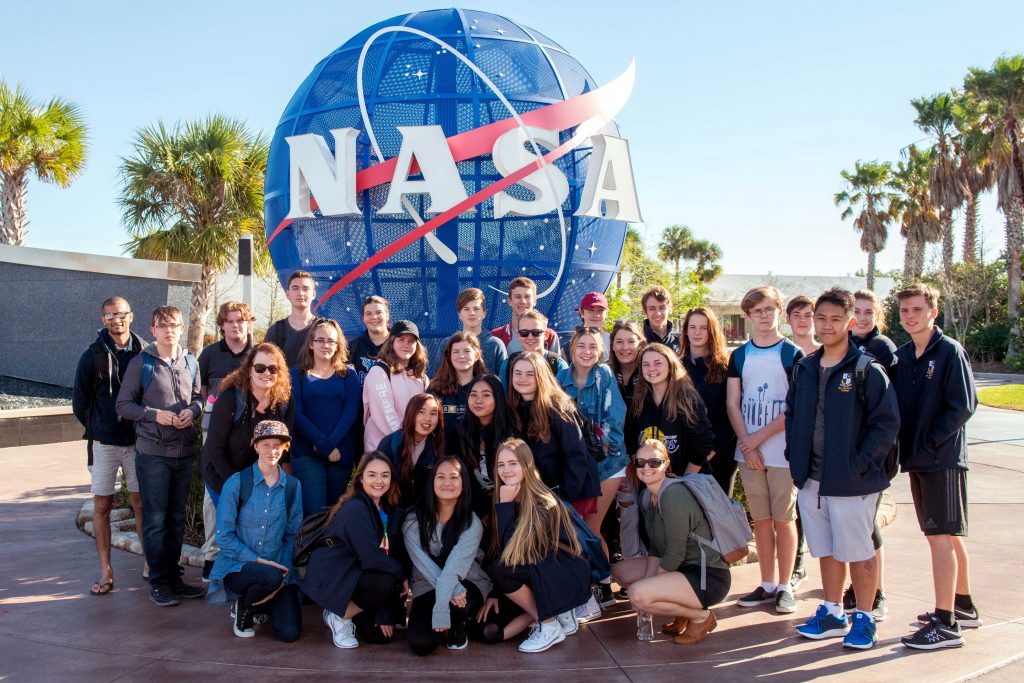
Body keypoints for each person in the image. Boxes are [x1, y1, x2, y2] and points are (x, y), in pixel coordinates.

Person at [786, 288, 900, 651]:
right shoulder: (803, 367)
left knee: (858, 551)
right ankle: (833, 612)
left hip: (853, 481)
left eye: (836, 319)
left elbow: (886, 424)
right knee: (827, 550)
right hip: (811, 478)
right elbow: (793, 416)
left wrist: (859, 465)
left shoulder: (867, 369)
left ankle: (864, 618)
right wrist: (795, 458)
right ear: (813, 320)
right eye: (821, 318)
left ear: (850, 322)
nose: (827, 325)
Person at [893, 283, 979, 650]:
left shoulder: (949, 352)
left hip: (941, 459)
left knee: (940, 536)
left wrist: (929, 442)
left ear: (933, 311)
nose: (910, 316)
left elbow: (963, 405)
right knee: (947, 534)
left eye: (917, 309)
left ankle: (945, 624)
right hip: (918, 459)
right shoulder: (904, 355)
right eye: (905, 311)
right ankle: (963, 606)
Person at [115, 305, 204, 607]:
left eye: (174, 325)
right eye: (162, 325)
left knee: (176, 520)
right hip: (153, 453)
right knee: (155, 519)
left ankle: (174, 578)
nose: (169, 330)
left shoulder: (191, 361)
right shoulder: (142, 363)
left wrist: (192, 412)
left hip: (183, 451)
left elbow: (198, 399)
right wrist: (155, 415)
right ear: (153, 330)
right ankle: (159, 582)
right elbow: (124, 405)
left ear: (182, 328)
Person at [727, 285, 804, 615]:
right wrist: (748, 443)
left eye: (769, 309)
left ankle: (786, 585)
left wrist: (759, 438)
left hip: (782, 452)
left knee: (784, 520)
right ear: (748, 315)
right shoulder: (740, 355)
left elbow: (795, 405)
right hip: (749, 453)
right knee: (761, 519)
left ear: (779, 312)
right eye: (757, 311)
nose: (763, 315)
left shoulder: (791, 354)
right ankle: (767, 582)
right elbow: (733, 402)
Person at [612, 439, 732, 645]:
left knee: (638, 595)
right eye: (640, 463)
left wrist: (647, 588)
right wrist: (648, 582)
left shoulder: (674, 495)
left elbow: (675, 553)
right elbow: (656, 546)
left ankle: (701, 617)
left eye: (654, 462)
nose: (646, 467)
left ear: (666, 464)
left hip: (707, 576)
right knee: (622, 572)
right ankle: (682, 612)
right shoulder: (646, 496)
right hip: (683, 569)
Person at [482, 438, 591, 653]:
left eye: (513, 463)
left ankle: (549, 624)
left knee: (502, 568)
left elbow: (514, 554)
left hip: (563, 574)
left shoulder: (542, 501)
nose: (506, 470)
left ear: (527, 465)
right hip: (540, 571)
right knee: (489, 631)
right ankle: (553, 615)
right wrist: (495, 592)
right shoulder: (508, 494)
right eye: (501, 464)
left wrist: (505, 506)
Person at [72, 296, 148, 595]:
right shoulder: (91, 355)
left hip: (138, 442)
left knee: (141, 503)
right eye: (109, 315)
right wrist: (99, 427)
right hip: (104, 443)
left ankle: (148, 564)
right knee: (102, 506)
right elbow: (79, 401)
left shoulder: (144, 351)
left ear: (131, 315)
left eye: (121, 313)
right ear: (102, 319)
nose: (116, 319)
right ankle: (105, 570)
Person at [207, 420, 303, 642]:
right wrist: (259, 561)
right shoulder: (237, 482)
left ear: (284, 448)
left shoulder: (291, 487)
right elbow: (224, 537)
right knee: (268, 575)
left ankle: (264, 603)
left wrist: (284, 576)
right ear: (256, 446)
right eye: (266, 444)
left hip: (277, 569)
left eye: (277, 445)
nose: (272, 450)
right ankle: (245, 605)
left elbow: (291, 537)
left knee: (290, 633)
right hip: (238, 567)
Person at [305, 452, 408, 648]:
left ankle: (348, 611)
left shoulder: (388, 509)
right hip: (335, 573)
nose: (379, 481)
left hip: (358, 573)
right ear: (360, 478)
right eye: (372, 475)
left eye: (385, 475)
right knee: (385, 581)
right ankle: (340, 615)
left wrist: (387, 609)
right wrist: (402, 575)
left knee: (380, 636)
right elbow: (372, 559)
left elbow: (389, 555)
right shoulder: (355, 508)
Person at [557, 328, 628, 606]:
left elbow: (614, 419)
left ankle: (602, 584)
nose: (586, 352)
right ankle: (590, 582)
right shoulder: (561, 379)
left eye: (592, 347)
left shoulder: (604, 376)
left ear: (600, 351)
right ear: (572, 349)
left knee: (591, 526)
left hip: (607, 463)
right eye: (581, 346)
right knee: (577, 529)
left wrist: (599, 446)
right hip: (576, 467)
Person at [842, 288, 899, 618]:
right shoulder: (842, 346)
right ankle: (857, 586)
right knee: (855, 525)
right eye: (857, 312)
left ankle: (874, 592)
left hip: (873, 454)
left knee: (866, 526)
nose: (862, 318)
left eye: (868, 312)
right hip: (846, 452)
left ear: (878, 316)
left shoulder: (883, 350)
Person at [403, 456, 492, 655]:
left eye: (453, 477)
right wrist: (446, 598)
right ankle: (446, 615)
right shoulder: (412, 519)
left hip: (465, 579)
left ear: (463, 484)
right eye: (440, 477)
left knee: (461, 604)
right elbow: (423, 564)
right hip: (428, 583)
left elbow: (454, 569)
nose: (447, 483)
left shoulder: (471, 523)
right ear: (431, 482)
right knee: (421, 644)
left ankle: (459, 625)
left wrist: (442, 607)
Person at [197, 300, 254, 581]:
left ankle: (243, 554)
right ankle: (213, 554)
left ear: (248, 323)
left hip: (250, 435)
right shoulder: (209, 355)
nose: (236, 325)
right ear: (222, 325)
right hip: (216, 434)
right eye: (230, 321)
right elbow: (203, 394)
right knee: (214, 496)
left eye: (241, 320)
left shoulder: (258, 354)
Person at [201, 343, 294, 516]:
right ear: (249, 370)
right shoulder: (231, 399)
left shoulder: (283, 402)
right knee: (232, 531)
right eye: (260, 368)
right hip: (222, 475)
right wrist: (240, 486)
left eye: (273, 369)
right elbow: (215, 449)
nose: (266, 373)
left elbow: (283, 449)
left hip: (259, 479)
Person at [506, 352, 600, 510]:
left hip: (570, 492)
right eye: (518, 373)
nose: (522, 378)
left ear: (541, 376)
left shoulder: (558, 407)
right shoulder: (514, 408)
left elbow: (576, 455)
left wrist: (562, 499)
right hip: (543, 493)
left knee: (579, 535)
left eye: (530, 374)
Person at [290, 318, 361, 517]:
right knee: (314, 514)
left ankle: (331, 549)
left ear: (338, 345)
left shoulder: (349, 375)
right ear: (311, 343)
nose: (325, 345)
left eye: (331, 341)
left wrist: (330, 445)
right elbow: (296, 414)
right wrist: (322, 444)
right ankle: (312, 549)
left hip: (340, 454)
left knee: (334, 514)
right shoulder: (296, 374)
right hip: (307, 453)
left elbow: (351, 413)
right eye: (320, 340)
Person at [625, 344, 715, 475]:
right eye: (646, 364)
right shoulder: (637, 402)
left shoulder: (688, 401)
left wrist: (683, 481)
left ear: (670, 365)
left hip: (687, 480)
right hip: (650, 482)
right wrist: (645, 474)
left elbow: (703, 445)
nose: (651, 369)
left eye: (657, 363)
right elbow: (631, 441)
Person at [681, 306, 738, 496]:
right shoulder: (676, 366)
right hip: (685, 454)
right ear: (686, 330)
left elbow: (730, 414)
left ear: (711, 331)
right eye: (692, 327)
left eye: (703, 327)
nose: (697, 332)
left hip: (719, 455)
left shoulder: (725, 367)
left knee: (719, 516)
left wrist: (706, 453)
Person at [607, 319, 648, 564]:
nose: (625, 347)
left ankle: (646, 562)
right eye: (619, 342)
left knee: (644, 510)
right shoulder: (606, 374)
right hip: (616, 456)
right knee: (624, 511)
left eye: (631, 341)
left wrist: (636, 456)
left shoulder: (649, 371)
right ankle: (627, 563)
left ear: (640, 343)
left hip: (644, 456)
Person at [454, 374, 519, 519]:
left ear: (498, 398)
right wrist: (482, 512)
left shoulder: (512, 430)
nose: (478, 400)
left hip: (512, 499)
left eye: (486, 395)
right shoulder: (461, 429)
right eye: (473, 395)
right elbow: (465, 476)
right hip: (476, 503)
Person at [362, 320, 429, 452]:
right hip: (382, 452)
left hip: (413, 451)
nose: (406, 345)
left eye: (411, 341)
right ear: (391, 342)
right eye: (401, 339)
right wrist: (406, 442)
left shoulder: (422, 377)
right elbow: (385, 414)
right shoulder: (379, 372)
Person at [377, 393, 445, 506]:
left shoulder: (438, 446)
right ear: (410, 413)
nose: (427, 418)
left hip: (425, 512)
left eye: (433, 413)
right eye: (421, 412)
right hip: (392, 509)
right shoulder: (390, 443)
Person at [491, 276, 561, 355]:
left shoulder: (549, 335)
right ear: (509, 301)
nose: (523, 301)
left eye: (527, 297)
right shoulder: (496, 335)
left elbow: (556, 365)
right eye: (518, 296)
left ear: (534, 301)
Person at [428, 331, 486, 426]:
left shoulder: (487, 387)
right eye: (456, 351)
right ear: (450, 356)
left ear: (477, 355)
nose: (461, 356)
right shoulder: (436, 388)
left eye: (467, 351)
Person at [497, 310, 568, 386]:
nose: (530, 337)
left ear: (546, 334)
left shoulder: (558, 365)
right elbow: (504, 396)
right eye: (524, 333)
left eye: (536, 332)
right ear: (518, 335)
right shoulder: (508, 365)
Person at [265, 270, 317, 367]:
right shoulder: (276, 331)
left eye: (305, 289)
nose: (300, 293)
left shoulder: (324, 328)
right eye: (295, 288)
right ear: (287, 294)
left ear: (313, 294)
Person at [455, 288, 507, 374]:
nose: (472, 313)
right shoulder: (448, 344)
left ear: (484, 313)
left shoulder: (496, 345)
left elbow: (504, 381)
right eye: (466, 309)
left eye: (476, 309)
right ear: (459, 314)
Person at [349, 295, 391, 384]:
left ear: (387, 315)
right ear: (363, 318)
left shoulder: (399, 344)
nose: (374, 317)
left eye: (379, 312)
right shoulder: (352, 347)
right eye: (368, 314)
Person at [569, 292, 611, 361]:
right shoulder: (571, 343)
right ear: (581, 313)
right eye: (591, 310)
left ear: (606, 313)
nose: (596, 315)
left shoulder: (613, 341)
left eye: (600, 311)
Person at [641, 285, 681, 354]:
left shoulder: (681, 342)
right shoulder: (638, 341)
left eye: (662, 308)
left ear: (670, 309)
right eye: (652, 308)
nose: (658, 313)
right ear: (645, 311)